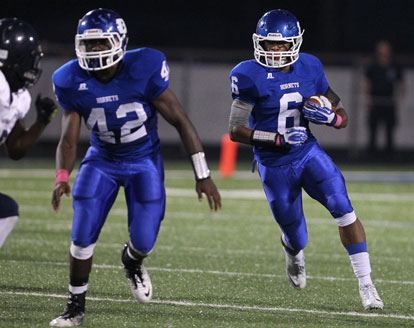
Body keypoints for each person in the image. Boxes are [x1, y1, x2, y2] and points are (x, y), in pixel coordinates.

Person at [49, 8, 221, 327]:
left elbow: (181, 121)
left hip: (143, 161)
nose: (95, 50)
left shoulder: (144, 67)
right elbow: (69, 140)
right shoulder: (70, 79)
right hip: (101, 161)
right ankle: (74, 307)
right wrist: (61, 177)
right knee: (81, 234)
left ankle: (132, 260)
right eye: (89, 44)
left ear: (119, 42)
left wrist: (204, 175)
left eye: (101, 43)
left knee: (144, 240)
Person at [228, 9, 383, 311]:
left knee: (344, 209)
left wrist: (332, 119)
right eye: (268, 44)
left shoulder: (310, 66)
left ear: (293, 43)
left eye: (281, 45)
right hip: (274, 165)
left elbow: (343, 115)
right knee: (297, 236)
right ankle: (292, 250)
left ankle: (366, 284)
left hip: (308, 154)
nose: (274, 51)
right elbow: (235, 130)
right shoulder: (248, 74)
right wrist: (277, 139)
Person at [0, 18, 57, 248]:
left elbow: (15, 148)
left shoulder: (18, 96)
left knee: (6, 211)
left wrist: (41, 123)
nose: (32, 65)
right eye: (29, 58)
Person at [363, 40, 405, 153]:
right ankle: (372, 154)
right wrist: (368, 98)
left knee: (389, 129)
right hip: (375, 100)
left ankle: (389, 154)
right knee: (373, 128)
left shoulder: (394, 65)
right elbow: (368, 82)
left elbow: (401, 83)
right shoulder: (373, 65)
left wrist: (399, 98)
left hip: (389, 101)